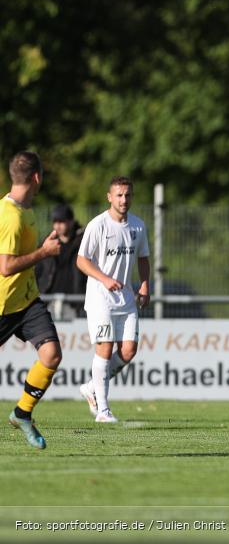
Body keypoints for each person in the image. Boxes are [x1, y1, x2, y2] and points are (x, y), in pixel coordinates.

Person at [0, 151, 63, 449]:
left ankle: (22, 412)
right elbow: (7, 266)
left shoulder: (26, 210)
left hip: (27, 302)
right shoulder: (11, 217)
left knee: (51, 354)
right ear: (37, 177)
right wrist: (44, 252)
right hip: (3, 304)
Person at [76, 176, 150, 423]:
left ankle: (91, 387)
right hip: (101, 299)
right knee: (105, 349)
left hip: (126, 298)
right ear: (109, 197)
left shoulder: (138, 226)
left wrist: (145, 284)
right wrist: (105, 279)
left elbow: (143, 258)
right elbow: (82, 260)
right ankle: (103, 411)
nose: (123, 199)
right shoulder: (98, 225)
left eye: (127, 195)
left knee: (128, 351)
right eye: (118, 195)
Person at [35, 203, 87, 318]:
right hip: (49, 301)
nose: (57, 226)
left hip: (77, 303)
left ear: (71, 221)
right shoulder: (48, 243)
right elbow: (38, 271)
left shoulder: (83, 242)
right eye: (55, 222)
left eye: (61, 222)